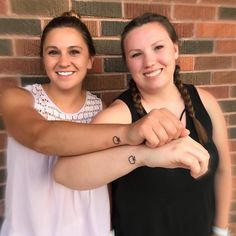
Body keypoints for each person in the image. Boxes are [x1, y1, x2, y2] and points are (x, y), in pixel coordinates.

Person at [0, 10, 208, 236]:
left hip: (90, 229)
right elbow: (41, 137)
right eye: (53, 52)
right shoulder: (18, 99)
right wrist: (130, 132)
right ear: (43, 59)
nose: (63, 61)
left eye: (74, 52)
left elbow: (106, 177)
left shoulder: (98, 108)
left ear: (90, 60)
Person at [54, 13, 232, 236]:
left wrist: (220, 229)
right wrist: (142, 155)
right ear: (128, 63)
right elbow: (64, 172)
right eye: (136, 54)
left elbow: (223, 171)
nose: (149, 62)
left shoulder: (205, 102)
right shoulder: (120, 115)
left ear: (175, 49)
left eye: (158, 47)